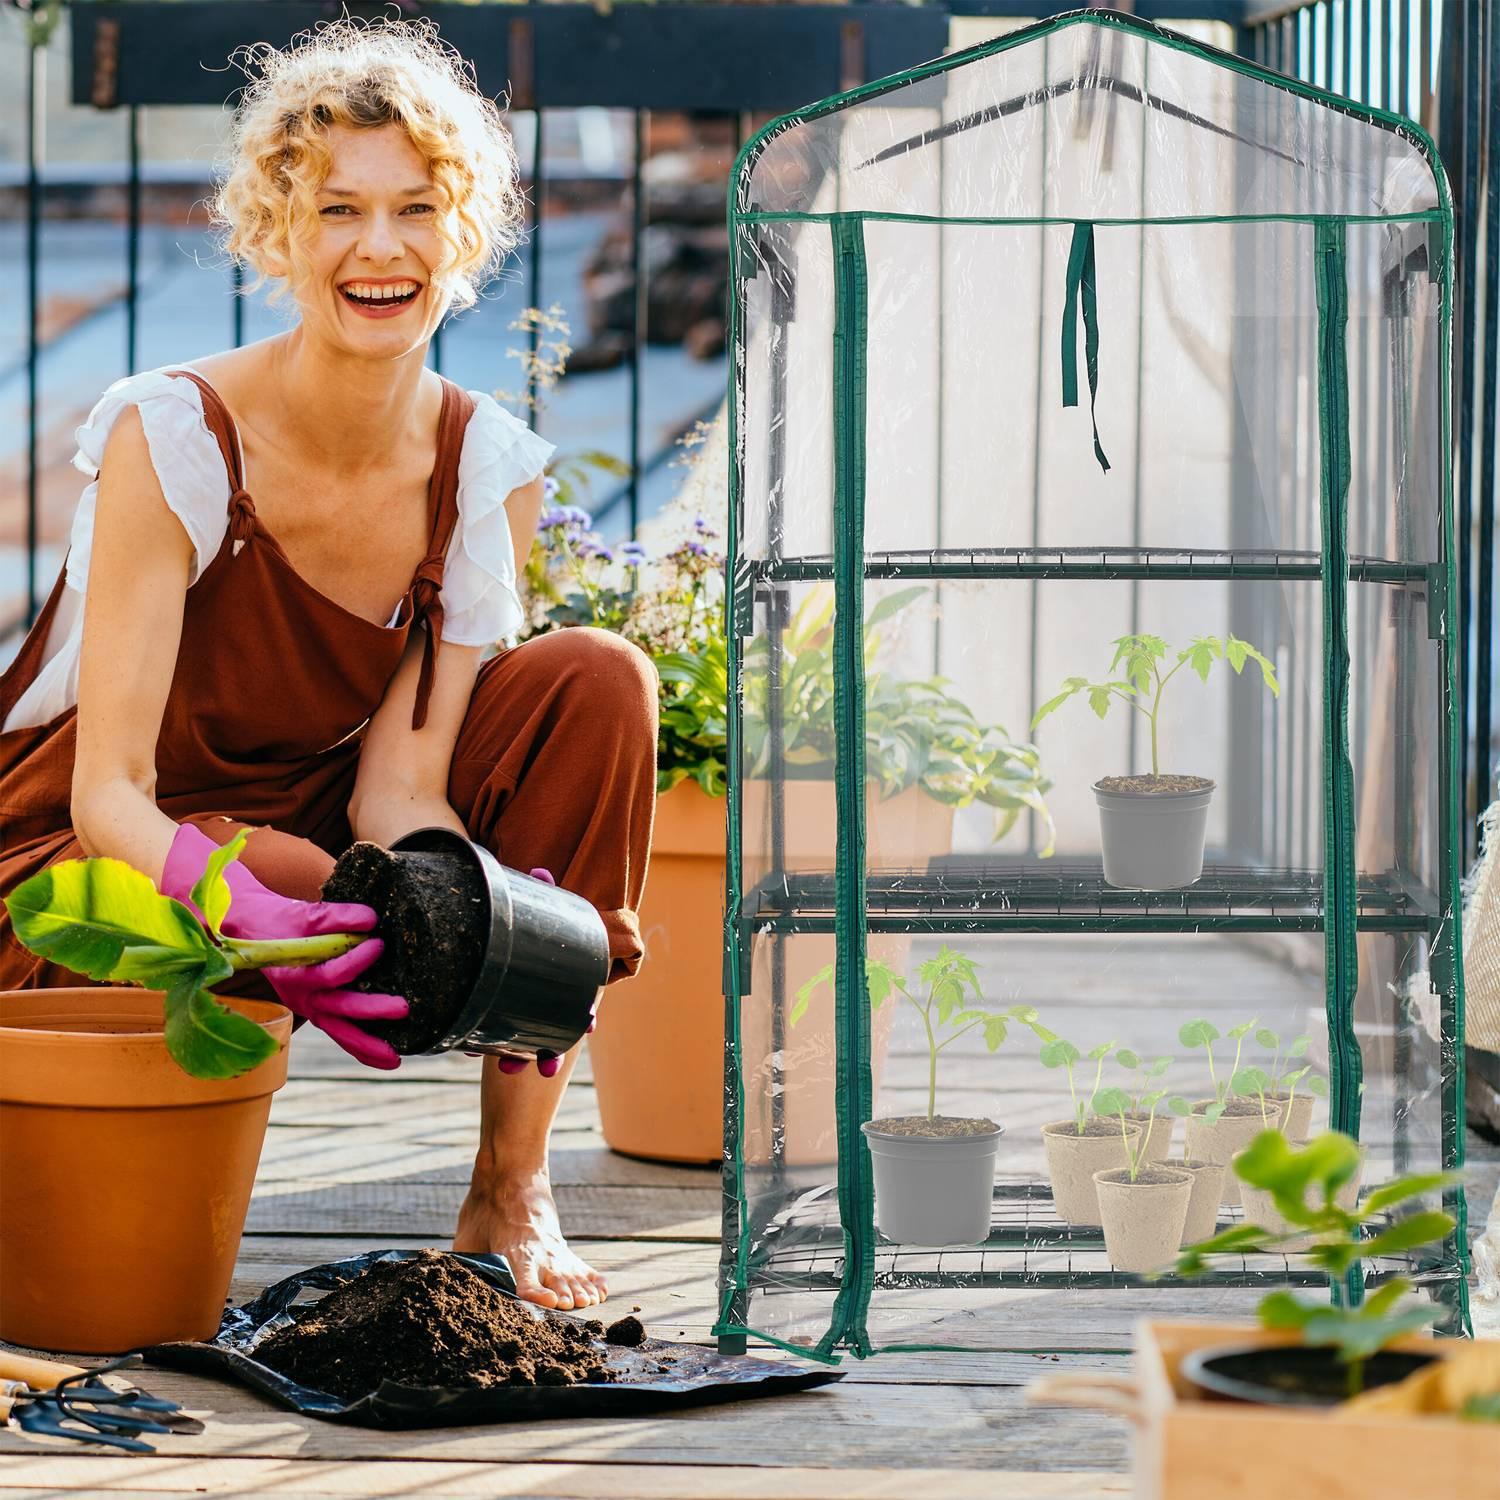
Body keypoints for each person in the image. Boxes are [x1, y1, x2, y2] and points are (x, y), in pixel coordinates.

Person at [0, 20, 657, 1313]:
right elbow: (107, 792)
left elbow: (394, 792)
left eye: (417, 208)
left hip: (308, 820)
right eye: (338, 208)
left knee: (598, 681)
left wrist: (492, 915)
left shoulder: (487, 467)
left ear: (461, 234)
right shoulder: (172, 435)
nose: (379, 247)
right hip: (80, 866)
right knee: (291, 870)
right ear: (276, 231)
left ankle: (510, 1188)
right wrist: (255, 904)